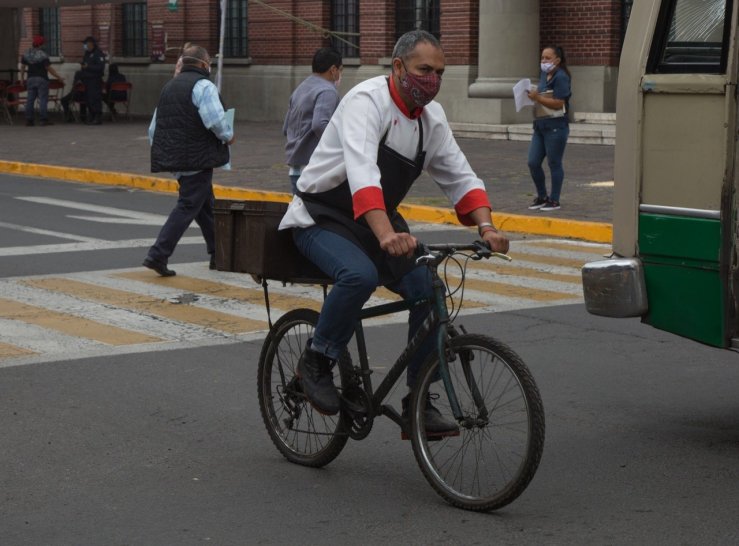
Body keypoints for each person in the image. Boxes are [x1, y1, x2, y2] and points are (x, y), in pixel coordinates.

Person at [278, 30, 509, 427]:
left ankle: (419, 398)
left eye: (440, 72)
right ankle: (316, 360)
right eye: (424, 69)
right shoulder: (367, 101)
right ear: (398, 67)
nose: (433, 80)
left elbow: (460, 176)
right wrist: (385, 235)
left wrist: (487, 227)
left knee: (427, 287)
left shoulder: (431, 119)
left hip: (375, 218)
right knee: (359, 275)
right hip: (321, 216)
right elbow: (362, 171)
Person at [144, 44, 234, 277]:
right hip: (198, 158)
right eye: (209, 63)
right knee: (188, 205)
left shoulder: (169, 87)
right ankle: (158, 253)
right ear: (204, 64)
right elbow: (215, 121)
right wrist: (228, 136)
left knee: (206, 206)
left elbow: (153, 129)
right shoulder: (204, 86)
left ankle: (218, 253)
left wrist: (167, 152)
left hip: (177, 158)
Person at [283, 47, 343, 194]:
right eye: (340, 70)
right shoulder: (327, 91)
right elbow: (319, 125)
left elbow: (286, 128)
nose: (340, 74)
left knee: (299, 207)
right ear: (333, 69)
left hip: (295, 168)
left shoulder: (301, 88)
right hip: (314, 169)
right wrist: (339, 143)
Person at [526, 45, 572, 212]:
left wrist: (537, 97)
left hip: (556, 127)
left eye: (547, 58)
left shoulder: (561, 77)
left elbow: (559, 103)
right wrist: (532, 95)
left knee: (554, 162)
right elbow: (541, 94)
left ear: (557, 60)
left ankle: (554, 199)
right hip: (540, 125)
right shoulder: (544, 74)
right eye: (542, 58)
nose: (544, 61)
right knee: (533, 162)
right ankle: (542, 196)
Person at [20, 35, 65, 126]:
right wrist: (58, 77)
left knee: (30, 100)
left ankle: (29, 120)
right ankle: (43, 119)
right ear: (40, 44)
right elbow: (48, 68)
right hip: (42, 79)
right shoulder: (43, 55)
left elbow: (23, 67)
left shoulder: (26, 53)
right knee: (43, 99)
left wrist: (21, 78)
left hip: (30, 79)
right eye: (43, 43)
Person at [80, 36, 106, 125]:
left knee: (95, 98)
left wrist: (88, 67)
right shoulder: (87, 54)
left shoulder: (98, 54)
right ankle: (91, 116)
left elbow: (100, 67)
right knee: (88, 99)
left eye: (86, 44)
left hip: (95, 80)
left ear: (91, 44)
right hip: (87, 80)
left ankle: (97, 117)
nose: (85, 46)